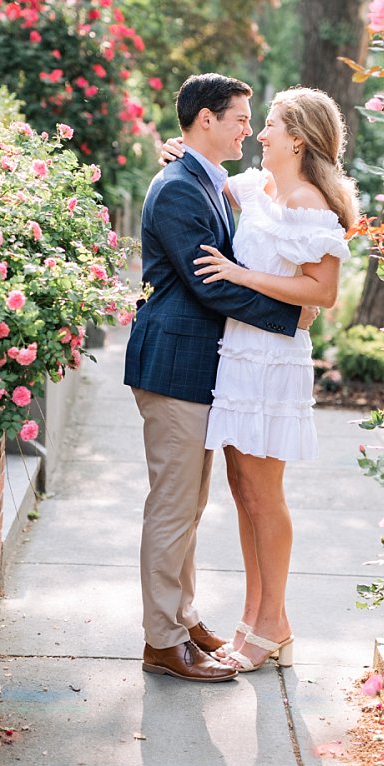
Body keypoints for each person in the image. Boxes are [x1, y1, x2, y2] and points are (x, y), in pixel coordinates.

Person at [125, 73, 315, 683]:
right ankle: (162, 641)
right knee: (173, 508)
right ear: (204, 119)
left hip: (197, 371)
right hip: (174, 365)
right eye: (238, 117)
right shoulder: (179, 188)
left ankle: (180, 619)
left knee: (189, 504)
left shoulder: (206, 179)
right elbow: (210, 286)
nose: (247, 128)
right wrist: (292, 315)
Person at [165, 86, 358, 672]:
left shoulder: (310, 205)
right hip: (239, 357)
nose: (259, 133)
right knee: (243, 491)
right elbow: (208, 178)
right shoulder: (257, 188)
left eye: (269, 124)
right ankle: (257, 619)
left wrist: (239, 276)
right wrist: (178, 152)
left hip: (273, 363)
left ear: (297, 138)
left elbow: (320, 293)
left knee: (263, 495)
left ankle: (271, 623)